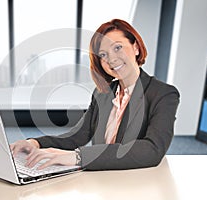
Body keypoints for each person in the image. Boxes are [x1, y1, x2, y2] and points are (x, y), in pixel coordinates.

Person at [10, 19, 180, 171]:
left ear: (136, 47)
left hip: (134, 180)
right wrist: (34, 143)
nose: (111, 59)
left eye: (118, 48)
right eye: (103, 55)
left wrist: (79, 157)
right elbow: (77, 135)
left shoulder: (164, 94)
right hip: (100, 177)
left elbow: (153, 149)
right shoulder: (102, 93)